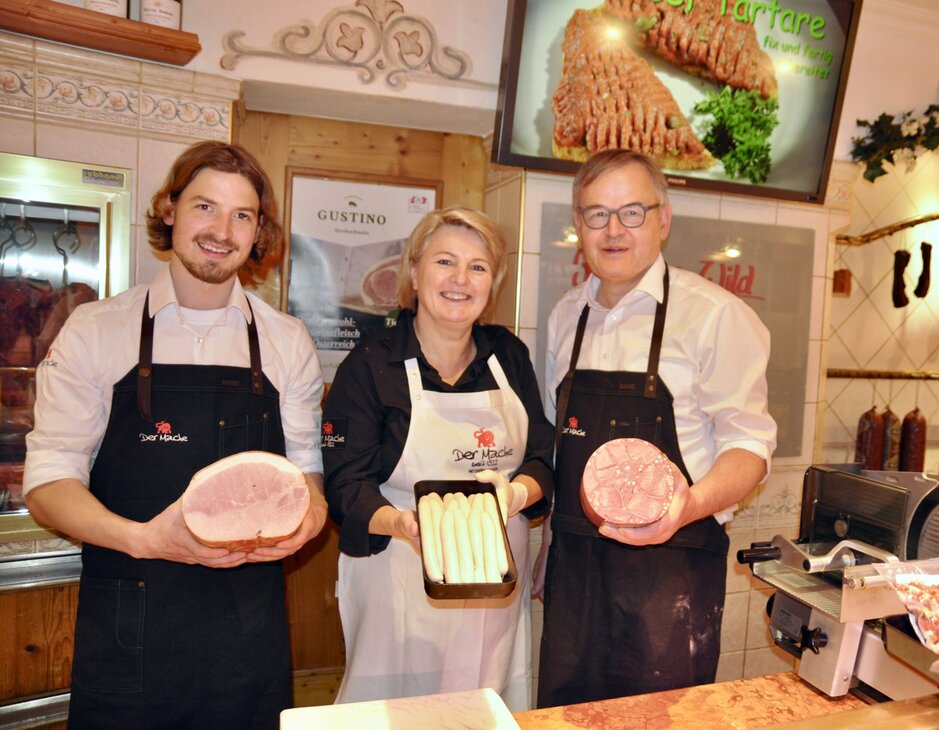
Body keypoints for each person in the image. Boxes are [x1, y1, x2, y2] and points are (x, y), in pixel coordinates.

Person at [23, 141, 327, 729]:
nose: (222, 230)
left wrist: (309, 518)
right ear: (169, 208)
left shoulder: (287, 341)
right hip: (129, 622)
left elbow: (306, 473)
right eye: (205, 207)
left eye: (242, 215)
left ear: (258, 229)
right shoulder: (95, 330)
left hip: (247, 630)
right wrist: (142, 539)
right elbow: (49, 481)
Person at [538, 149, 777, 707]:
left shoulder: (714, 315)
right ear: (578, 225)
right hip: (576, 567)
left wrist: (686, 507)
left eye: (632, 212)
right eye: (596, 214)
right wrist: (548, 544)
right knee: (566, 716)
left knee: (663, 718)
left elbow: (750, 448)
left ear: (663, 219)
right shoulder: (564, 315)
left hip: (673, 570)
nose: (613, 230)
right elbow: (556, 444)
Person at [322, 205, 554, 710]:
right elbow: (344, 486)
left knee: (484, 702)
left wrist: (516, 493)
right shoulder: (370, 365)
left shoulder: (508, 355)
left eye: (478, 266)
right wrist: (407, 526)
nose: (460, 279)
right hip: (401, 575)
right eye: (444, 262)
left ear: (492, 282)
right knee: (398, 708)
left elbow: (541, 457)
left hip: (494, 576)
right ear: (414, 272)